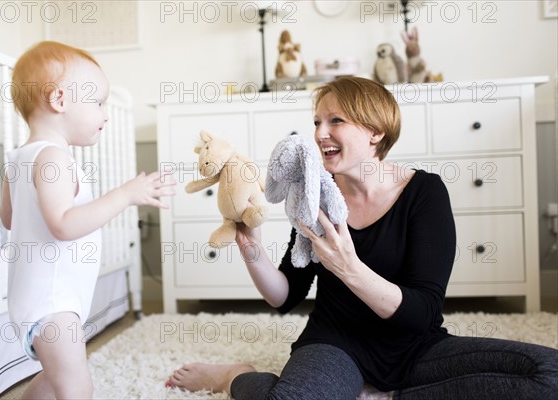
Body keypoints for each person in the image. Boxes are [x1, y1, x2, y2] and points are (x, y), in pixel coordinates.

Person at [165, 77, 558, 399]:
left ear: (375, 132)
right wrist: (252, 249)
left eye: (335, 121)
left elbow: (422, 310)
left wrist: (348, 268)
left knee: (549, 373)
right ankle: (234, 375)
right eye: (317, 121)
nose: (319, 134)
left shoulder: (425, 193)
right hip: (336, 344)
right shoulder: (315, 194)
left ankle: (386, 394)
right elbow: (286, 296)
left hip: (415, 347)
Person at [0, 41, 176, 399]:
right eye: (98, 103)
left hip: (34, 299)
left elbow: (8, 219)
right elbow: (63, 225)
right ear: (59, 100)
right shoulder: (54, 158)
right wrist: (124, 195)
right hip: (53, 303)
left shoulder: (18, 158)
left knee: (55, 379)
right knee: (76, 387)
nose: (105, 115)